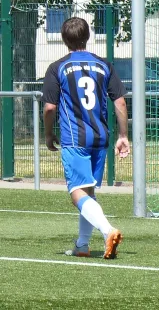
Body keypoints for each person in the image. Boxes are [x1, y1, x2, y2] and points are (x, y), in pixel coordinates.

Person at [42, 17, 130, 259]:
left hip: (74, 138)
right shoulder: (104, 65)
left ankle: (107, 230)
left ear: (63, 39)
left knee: (76, 193)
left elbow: (50, 108)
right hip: (100, 138)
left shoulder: (57, 67)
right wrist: (123, 136)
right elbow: (120, 101)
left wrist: (49, 134)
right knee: (88, 192)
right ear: (88, 36)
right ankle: (82, 245)